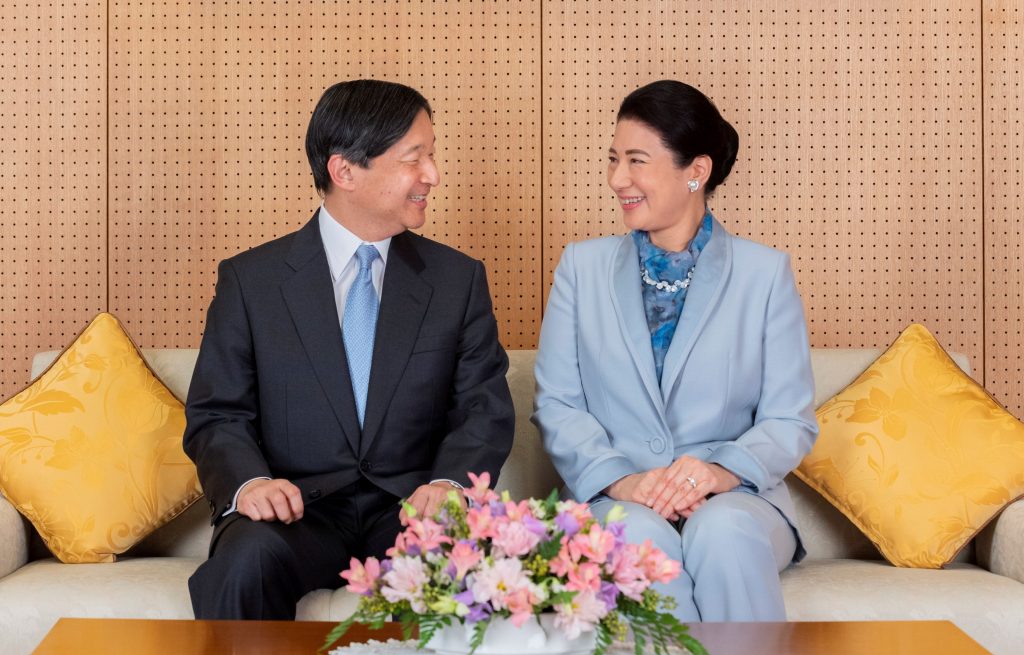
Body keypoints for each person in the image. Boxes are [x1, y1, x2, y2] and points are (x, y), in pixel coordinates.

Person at [184, 79, 515, 620]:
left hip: (411, 512)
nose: (432, 175)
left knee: (481, 560)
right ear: (345, 171)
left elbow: (484, 408)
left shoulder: (458, 281)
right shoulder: (252, 282)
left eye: (431, 156)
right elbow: (217, 414)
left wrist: (451, 483)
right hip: (297, 513)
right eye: (415, 159)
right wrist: (249, 484)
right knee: (244, 561)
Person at [532, 80, 818, 622]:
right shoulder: (580, 268)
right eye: (614, 160)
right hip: (613, 496)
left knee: (724, 530)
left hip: (737, 500)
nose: (618, 179)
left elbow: (789, 419)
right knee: (636, 537)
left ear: (696, 170)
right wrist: (624, 480)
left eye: (636, 160)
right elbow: (558, 405)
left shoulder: (765, 274)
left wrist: (715, 474)